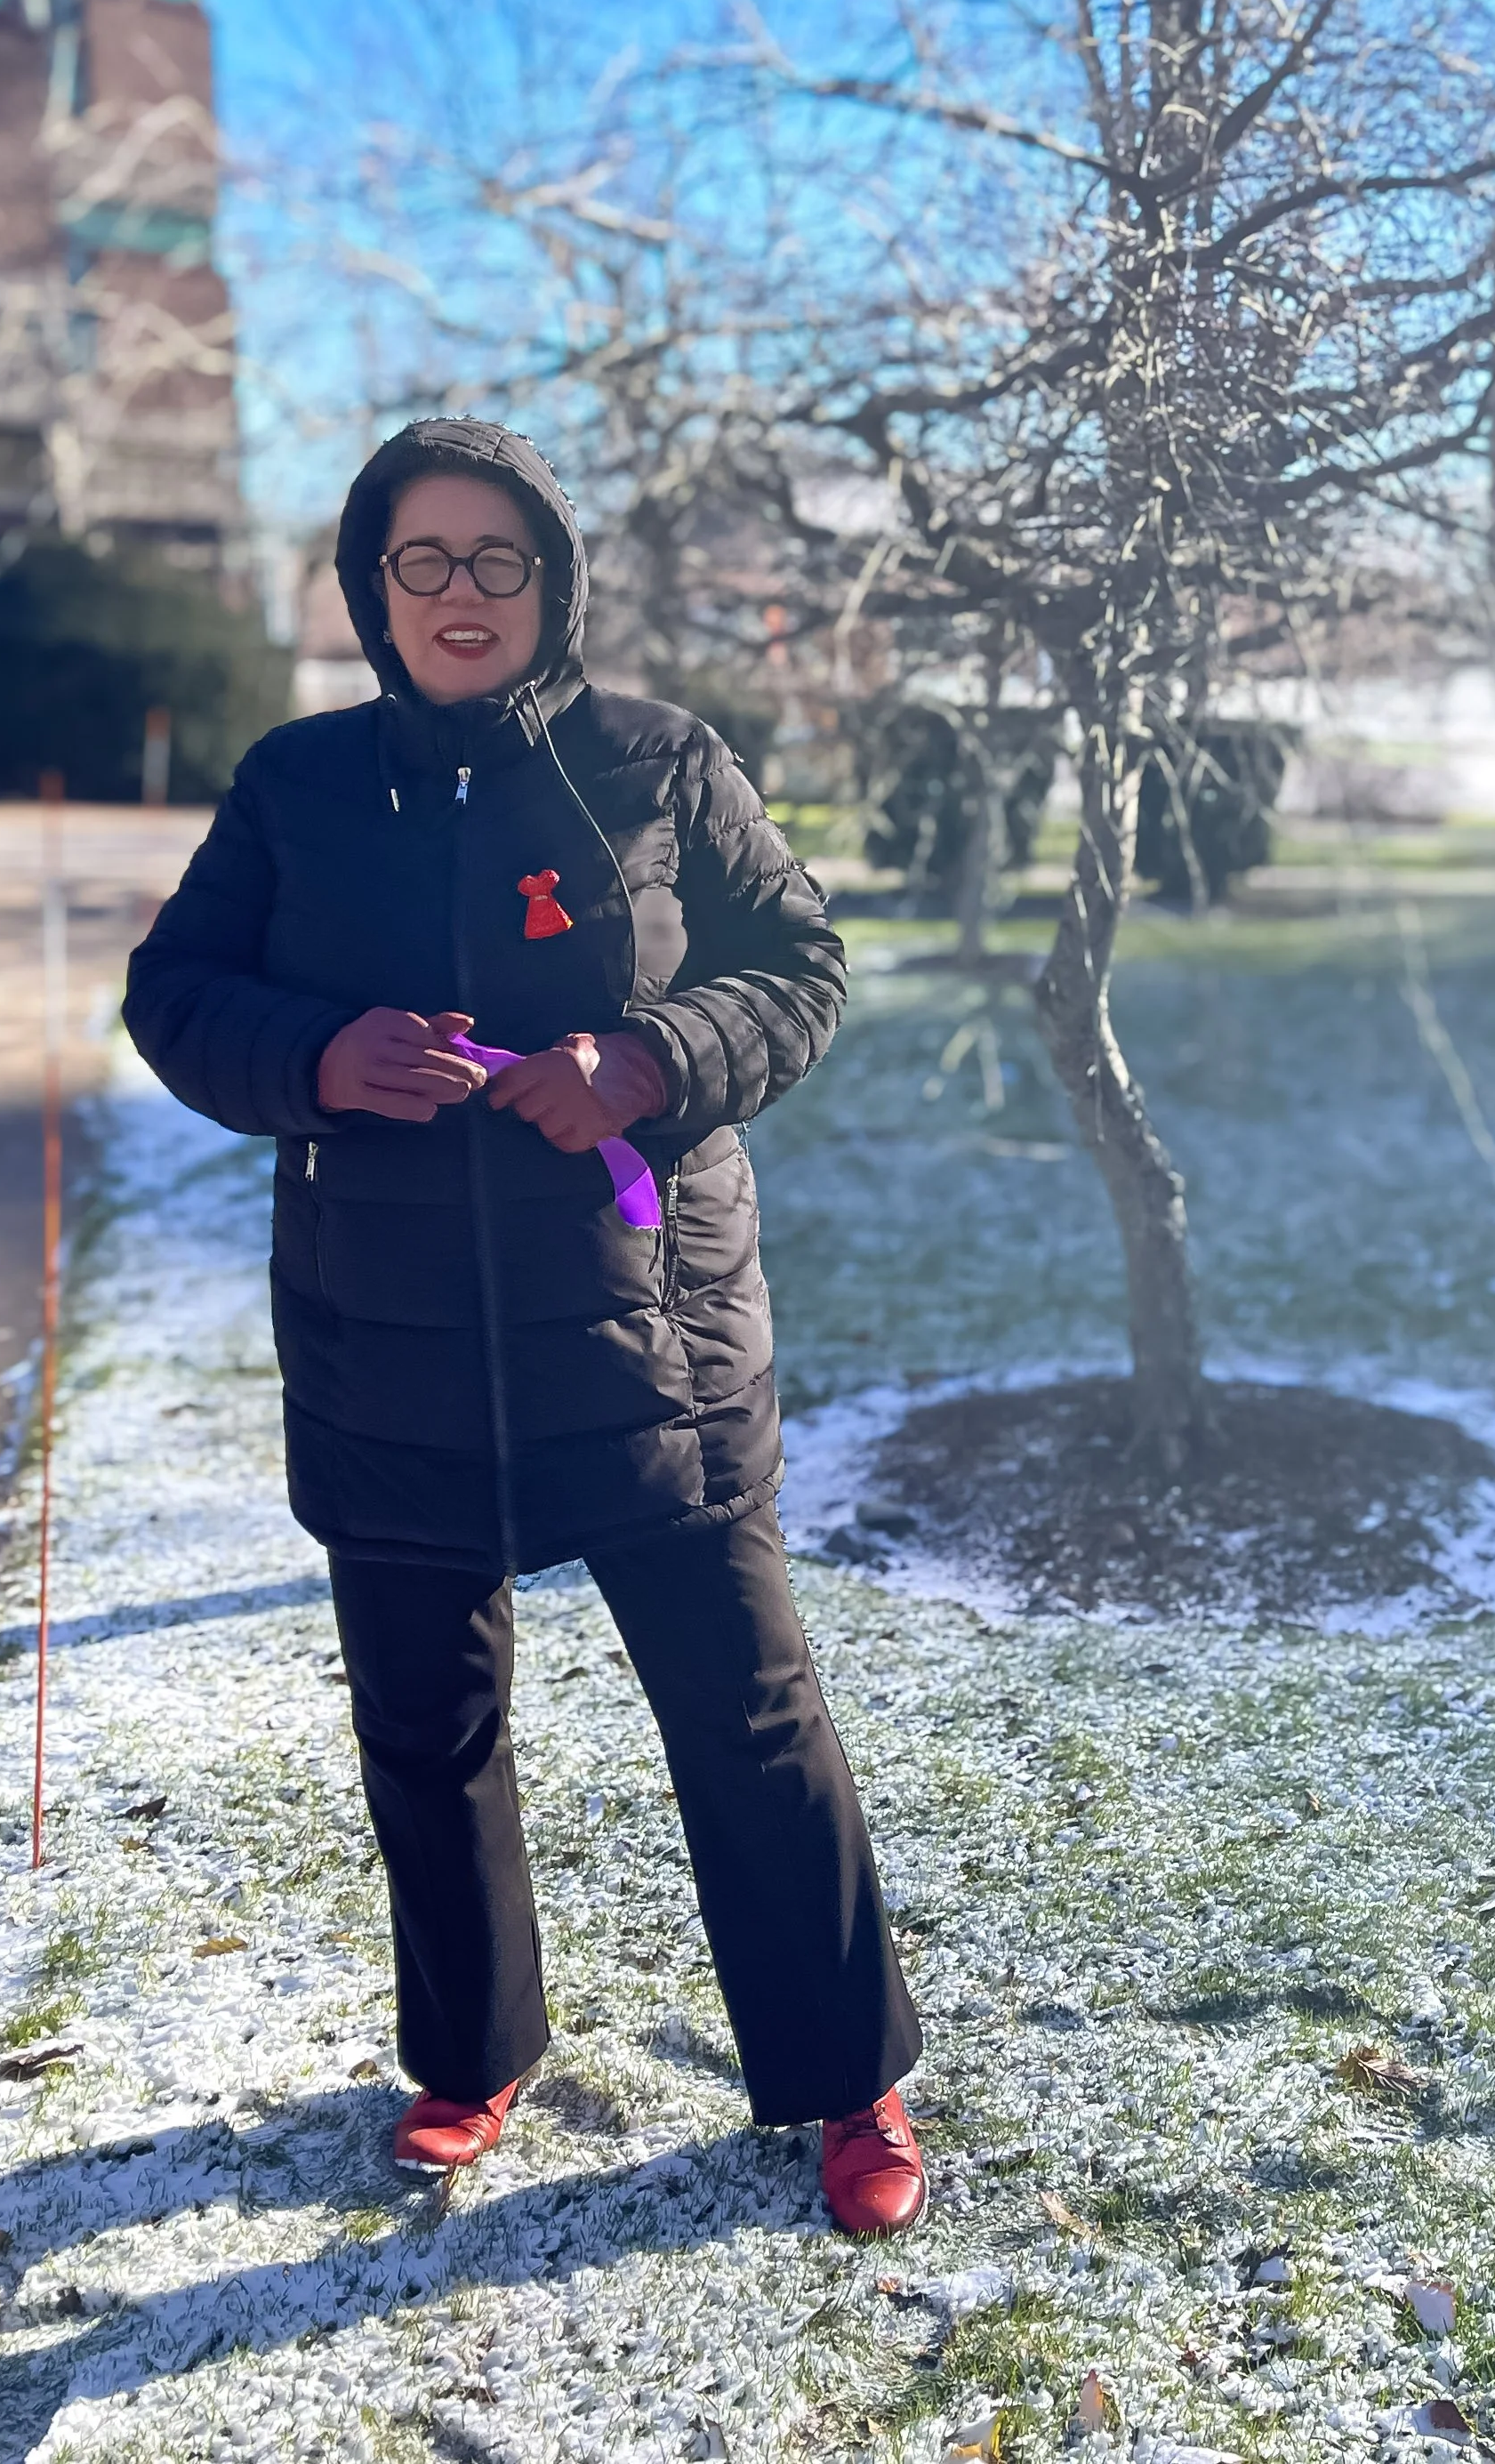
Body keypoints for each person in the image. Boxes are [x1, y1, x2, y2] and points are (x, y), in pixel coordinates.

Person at [124, 418, 926, 2237]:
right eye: (425, 560)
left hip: (649, 1338)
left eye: (499, 559)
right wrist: (316, 1060)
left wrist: (644, 1061)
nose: (462, 593)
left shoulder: (654, 761)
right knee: (427, 1726)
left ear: (552, 582)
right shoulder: (295, 784)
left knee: (747, 1711)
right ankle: (468, 2054)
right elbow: (173, 995)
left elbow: (796, 967)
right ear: (370, 587)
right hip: (382, 1339)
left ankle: (844, 2075)